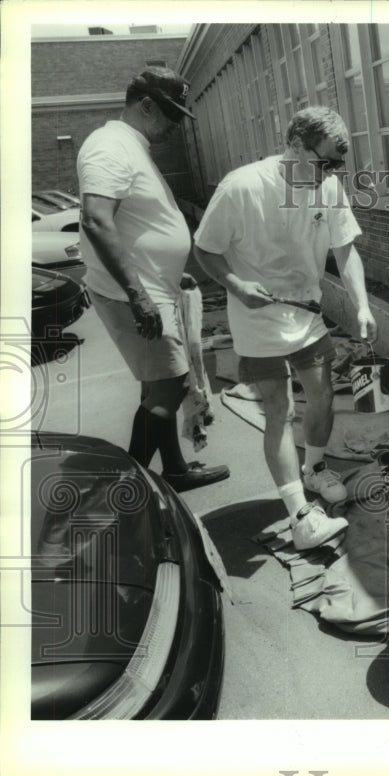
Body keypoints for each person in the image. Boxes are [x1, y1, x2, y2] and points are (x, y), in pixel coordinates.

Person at [192, 106, 378, 551]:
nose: (331, 172)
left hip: (307, 311)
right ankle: (299, 516)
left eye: (337, 164)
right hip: (257, 317)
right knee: (280, 412)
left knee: (324, 394)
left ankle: (314, 469)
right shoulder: (242, 187)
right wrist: (235, 285)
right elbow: (205, 249)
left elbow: (345, 250)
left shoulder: (327, 186)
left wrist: (363, 306)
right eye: (325, 161)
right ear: (295, 144)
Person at [77, 66, 229, 492]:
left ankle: (175, 470)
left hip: (150, 286)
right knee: (171, 386)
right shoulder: (109, 146)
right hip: (133, 295)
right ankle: (126, 491)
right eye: (172, 115)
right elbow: (96, 219)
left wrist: (164, 271)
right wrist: (139, 293)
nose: (176, 127)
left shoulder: (130, 145)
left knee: (156, 388)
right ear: (146, 106)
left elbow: (133, 221)